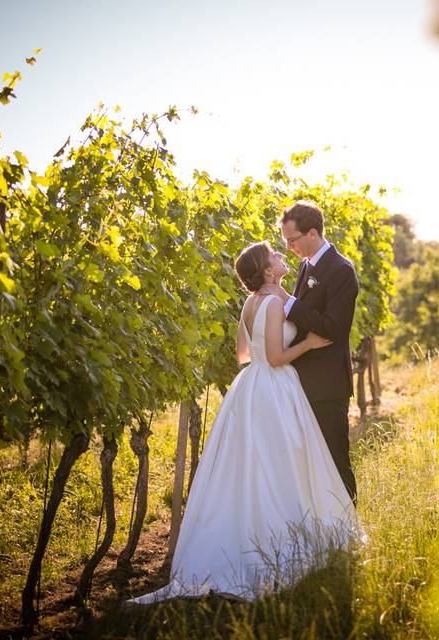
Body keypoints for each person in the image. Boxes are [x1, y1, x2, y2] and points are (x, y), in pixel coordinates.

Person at [125, 241, 360, 604]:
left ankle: (244, 534)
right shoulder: (272, 302)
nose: (283, 257)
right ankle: (273, 544)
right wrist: (308, 345)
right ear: (267, 271)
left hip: (250, 386)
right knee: (281, 466)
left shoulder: (252, 302)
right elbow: (278, 357)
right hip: (275, 387)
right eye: (275, 256)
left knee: (250, 467)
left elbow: (242, 354)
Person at [260, 201, 359, 502]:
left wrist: (288, 302)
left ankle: (348, 530)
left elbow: (334, 329)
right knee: (310, 463)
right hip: (301, 381)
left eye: (292, 240)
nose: (289, 247)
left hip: (327, 384)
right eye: (285, 241)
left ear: (313, 233)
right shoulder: (306, 265)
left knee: (334, 458)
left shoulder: (341, 270)